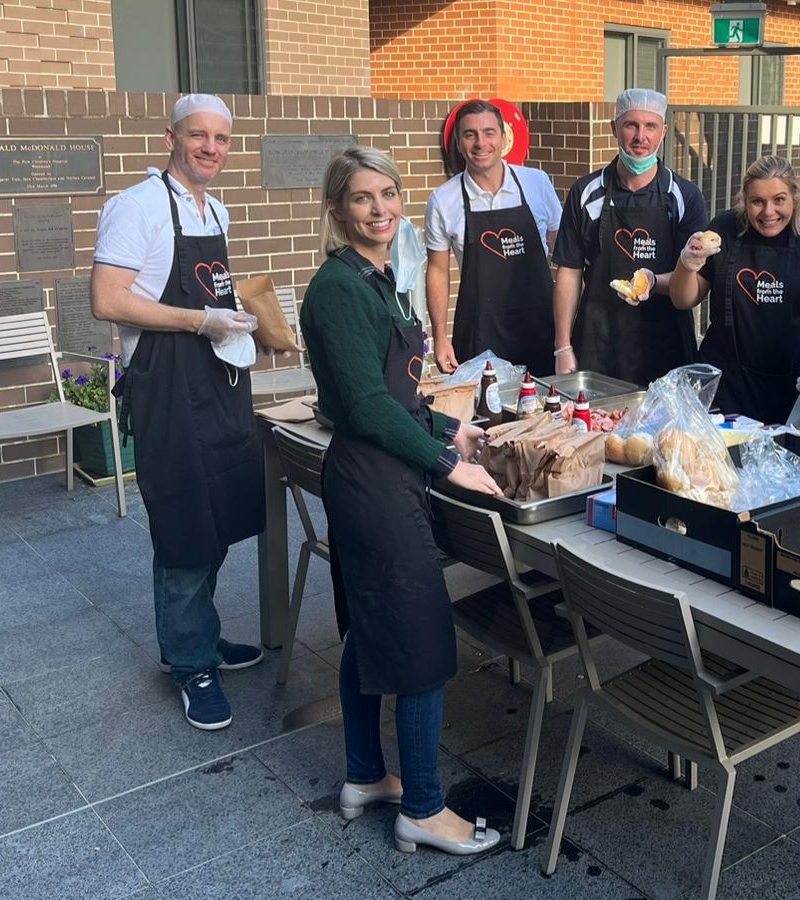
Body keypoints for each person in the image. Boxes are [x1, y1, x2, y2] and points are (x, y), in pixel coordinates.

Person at [299, 146, 505, 856]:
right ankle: (422, 805)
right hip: (373, 482)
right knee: (420, 641)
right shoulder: (338, 288)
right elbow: (359, 405)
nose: (381, 208)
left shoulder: (379, 276)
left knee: (371, 629)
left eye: (388, 194)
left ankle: (365, 774)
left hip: (384, 472)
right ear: (337, 208)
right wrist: (448, 462)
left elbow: (398, 394)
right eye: (362, 198)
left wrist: (455, 427)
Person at [91, 94, 266, 732]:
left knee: (218, 515)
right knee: (183, 522)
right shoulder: (135, 207)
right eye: (199, 135)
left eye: (221, 138)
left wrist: (240, 321)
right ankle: (190, 663)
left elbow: (209, 290)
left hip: (218, 380)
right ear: (171, 136)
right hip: (165, 387)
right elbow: (108, 300)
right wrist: (202, 319)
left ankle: (200, 635)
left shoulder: (213, 208)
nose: (211, 148)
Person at [667, 155, 800, 429]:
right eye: (757, 201)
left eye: (779, 200)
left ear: (795, 198)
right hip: (727, 386)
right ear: (745, 202)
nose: (768, 212)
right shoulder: (724, 230)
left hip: (793, 386)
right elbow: (683, 298)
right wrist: (687, 263)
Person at [552, 88, 709, 386]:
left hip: (667, 347)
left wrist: (651, 280)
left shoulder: (685, 196)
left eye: (650, 126)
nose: (641, 137)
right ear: (614, 128)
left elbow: (693, 281)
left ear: (663, 132)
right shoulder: (585, 193)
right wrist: (563, 346)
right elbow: (569, 272)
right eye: (631, 125)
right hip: (598, 344)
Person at [426, 99, 562, 375]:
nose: (481, 143)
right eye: (470, 134)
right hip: (479, 335)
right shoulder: (443, 200)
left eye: (489, 133)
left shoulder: (537, 183)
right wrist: (440, 337)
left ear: (503, 138)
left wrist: (568, 333)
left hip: (542, 328)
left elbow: (565, 256)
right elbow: (438, 271)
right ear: (458, 142)